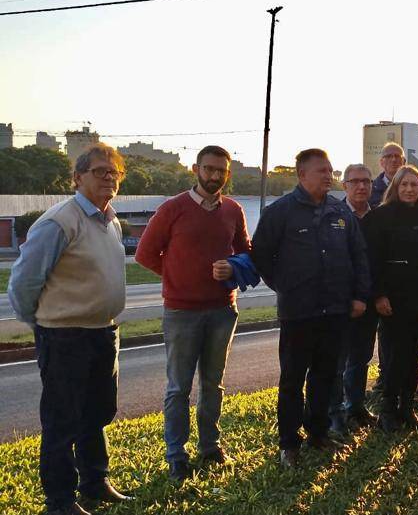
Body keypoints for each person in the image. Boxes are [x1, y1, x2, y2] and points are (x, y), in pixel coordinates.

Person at [8, 144, 133, 515]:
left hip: (103, 331)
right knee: (63, 422)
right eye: (100, 171)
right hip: (65, 337)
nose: (109, 177)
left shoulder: (110, 221)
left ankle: (95, 482)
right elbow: (22, 283)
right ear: (77, 178)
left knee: (97, 413)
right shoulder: (58, 221)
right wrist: (45, 322)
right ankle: (60, 502)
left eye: (115, 173)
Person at [135, 145, 251, 482]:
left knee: (214, 385)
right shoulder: (173, 208)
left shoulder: (233, 209)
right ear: (196, 169)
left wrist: (232, 267)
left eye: (221, 170)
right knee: (178, 388)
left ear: (227, 174)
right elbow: (144, 254)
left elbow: (246, 253)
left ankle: (210, 447)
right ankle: (176, 456)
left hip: (222, 310)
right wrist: (177, 276)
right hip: (181, 312)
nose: (215, 175)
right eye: (209, 169)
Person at [251, 148, 371, 468]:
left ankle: (318, 433)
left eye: (331, 171)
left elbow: (358, 255)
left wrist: (360, 295)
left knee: (325, 375)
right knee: (292, 379)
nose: (328, 176)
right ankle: (289, 444)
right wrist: (286, 285)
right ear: (302, 175)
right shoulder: (281, 212)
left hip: (335, 311)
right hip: (298, 313)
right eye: (322, 171)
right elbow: (261, 255)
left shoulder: (339, 212)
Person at [364, 165, 418, 432]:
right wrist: (378, 295)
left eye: (414, 185)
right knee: (393, 356)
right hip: (392, 297)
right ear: (395, 188)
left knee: (414, 356)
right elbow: (372, 261)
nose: (410, 189)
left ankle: (407, 409)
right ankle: (388, 410)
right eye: (404, 185)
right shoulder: (381, 216)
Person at [328, 164, 380, 436]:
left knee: (361, 356)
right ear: (344, 185)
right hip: (339, 303)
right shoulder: (332, 215)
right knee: (337, 360)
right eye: (355, 181)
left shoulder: (378, 218)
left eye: (366, 181)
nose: (361, 186)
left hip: (369, 302)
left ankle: (356, 406)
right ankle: (334, 414)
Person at [370, 142, 406, 208]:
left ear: (403, 161)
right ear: (381, 162)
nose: (393, 160)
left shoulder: (412, 187)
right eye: (388, 156)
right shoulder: (371, 190)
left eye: (397, 156)